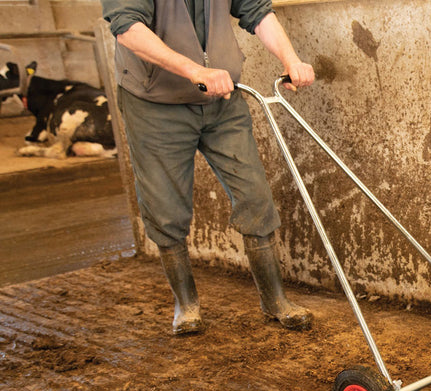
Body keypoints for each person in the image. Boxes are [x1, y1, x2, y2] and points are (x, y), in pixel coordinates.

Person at [101, 0, 314, 334]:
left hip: (222, 100)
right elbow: (127, 29)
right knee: (165, 207)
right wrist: (194, 71)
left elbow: (257, 11)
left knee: (255, 195)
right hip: (156, 104)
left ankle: (275, 300)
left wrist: (291, 59)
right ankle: (186, 305)